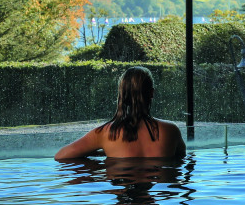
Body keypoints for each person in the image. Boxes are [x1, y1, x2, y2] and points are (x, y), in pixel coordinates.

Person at [54, 66, 186, 161]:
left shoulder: (107, 133)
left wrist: (102, 159)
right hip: (159, 194)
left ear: (121, 94)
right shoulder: (170, 130)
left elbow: (61, 156)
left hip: (122, 187)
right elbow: (180, 158)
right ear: (151, 93)